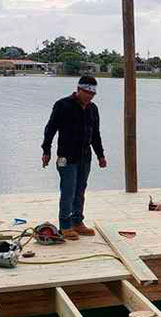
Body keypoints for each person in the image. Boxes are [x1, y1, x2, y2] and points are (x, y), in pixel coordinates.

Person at [42, 75, 108, 240]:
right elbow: (50, 129)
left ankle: (77, 222)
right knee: (68, 190)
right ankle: (65, 225)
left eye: (92, 94)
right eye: (86, 92)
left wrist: (100, 155)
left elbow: (96, 135)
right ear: (78, 90)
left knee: (80, 190)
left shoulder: (93, 109)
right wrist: (46, 151)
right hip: (66, 157)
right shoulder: (63, 105)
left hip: (85, 157)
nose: (89, 96)